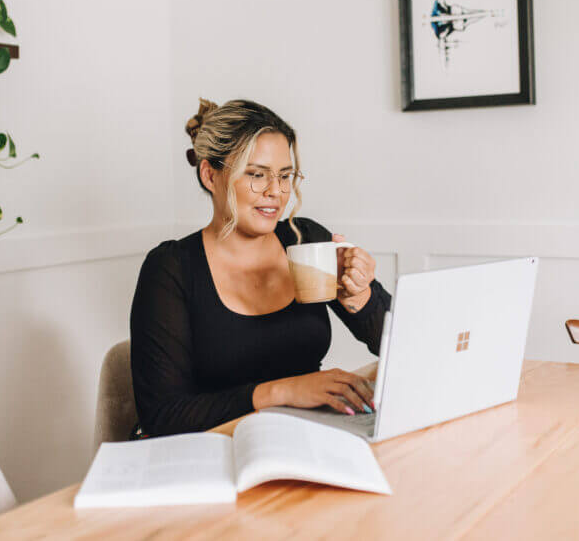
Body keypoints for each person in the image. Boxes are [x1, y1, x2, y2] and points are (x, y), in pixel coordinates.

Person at [129, 98, 392, 437]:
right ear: (210, 174)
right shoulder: (171, 269)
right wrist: (283, 391)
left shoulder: (304, 238)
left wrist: (359, 295)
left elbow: (397, 345)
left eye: (285, 176)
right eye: (256, 175)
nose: (276, 192)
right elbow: (163, 416)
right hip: (213, 447)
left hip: (303, 436)